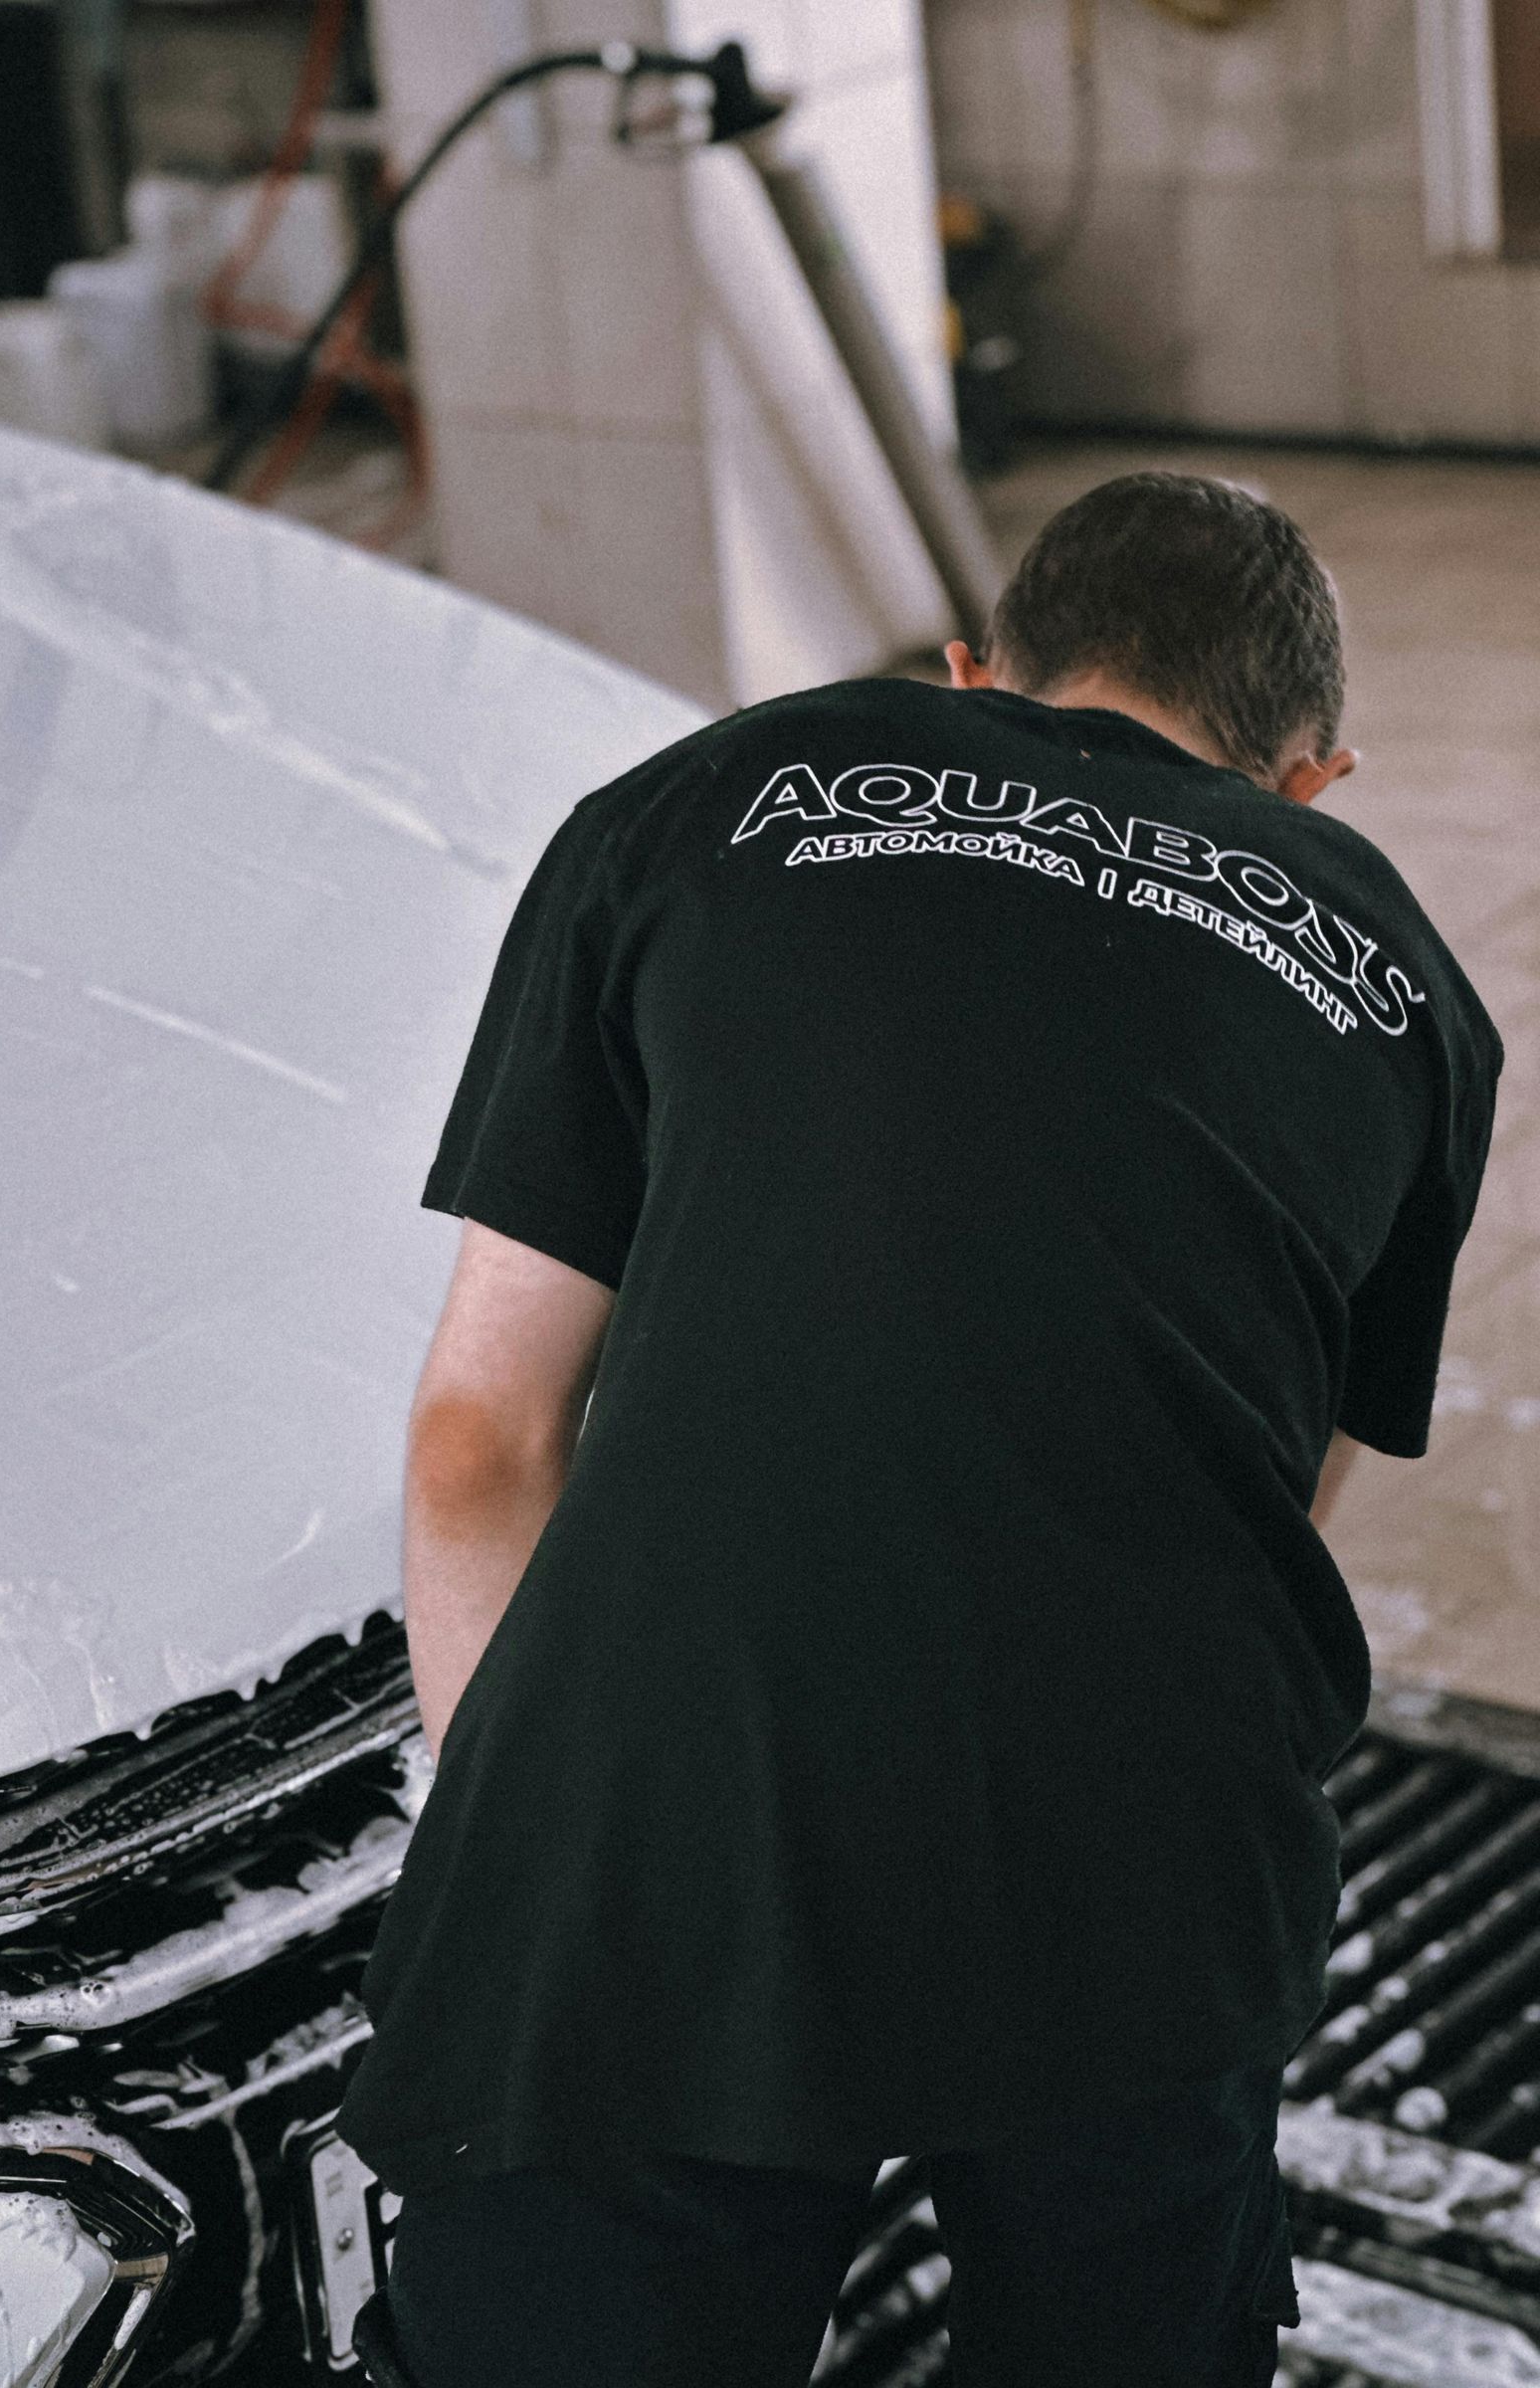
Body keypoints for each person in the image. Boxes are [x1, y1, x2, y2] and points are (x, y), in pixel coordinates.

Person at [333, 473, 1504, 2388]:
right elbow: (1274, 1485)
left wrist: (533, 1837)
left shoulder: (705, 801)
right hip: (1156, 1844)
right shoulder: (1409, 993)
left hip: (691, 1789)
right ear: (1312, 782)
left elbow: (483, 1429)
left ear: (976, 673)